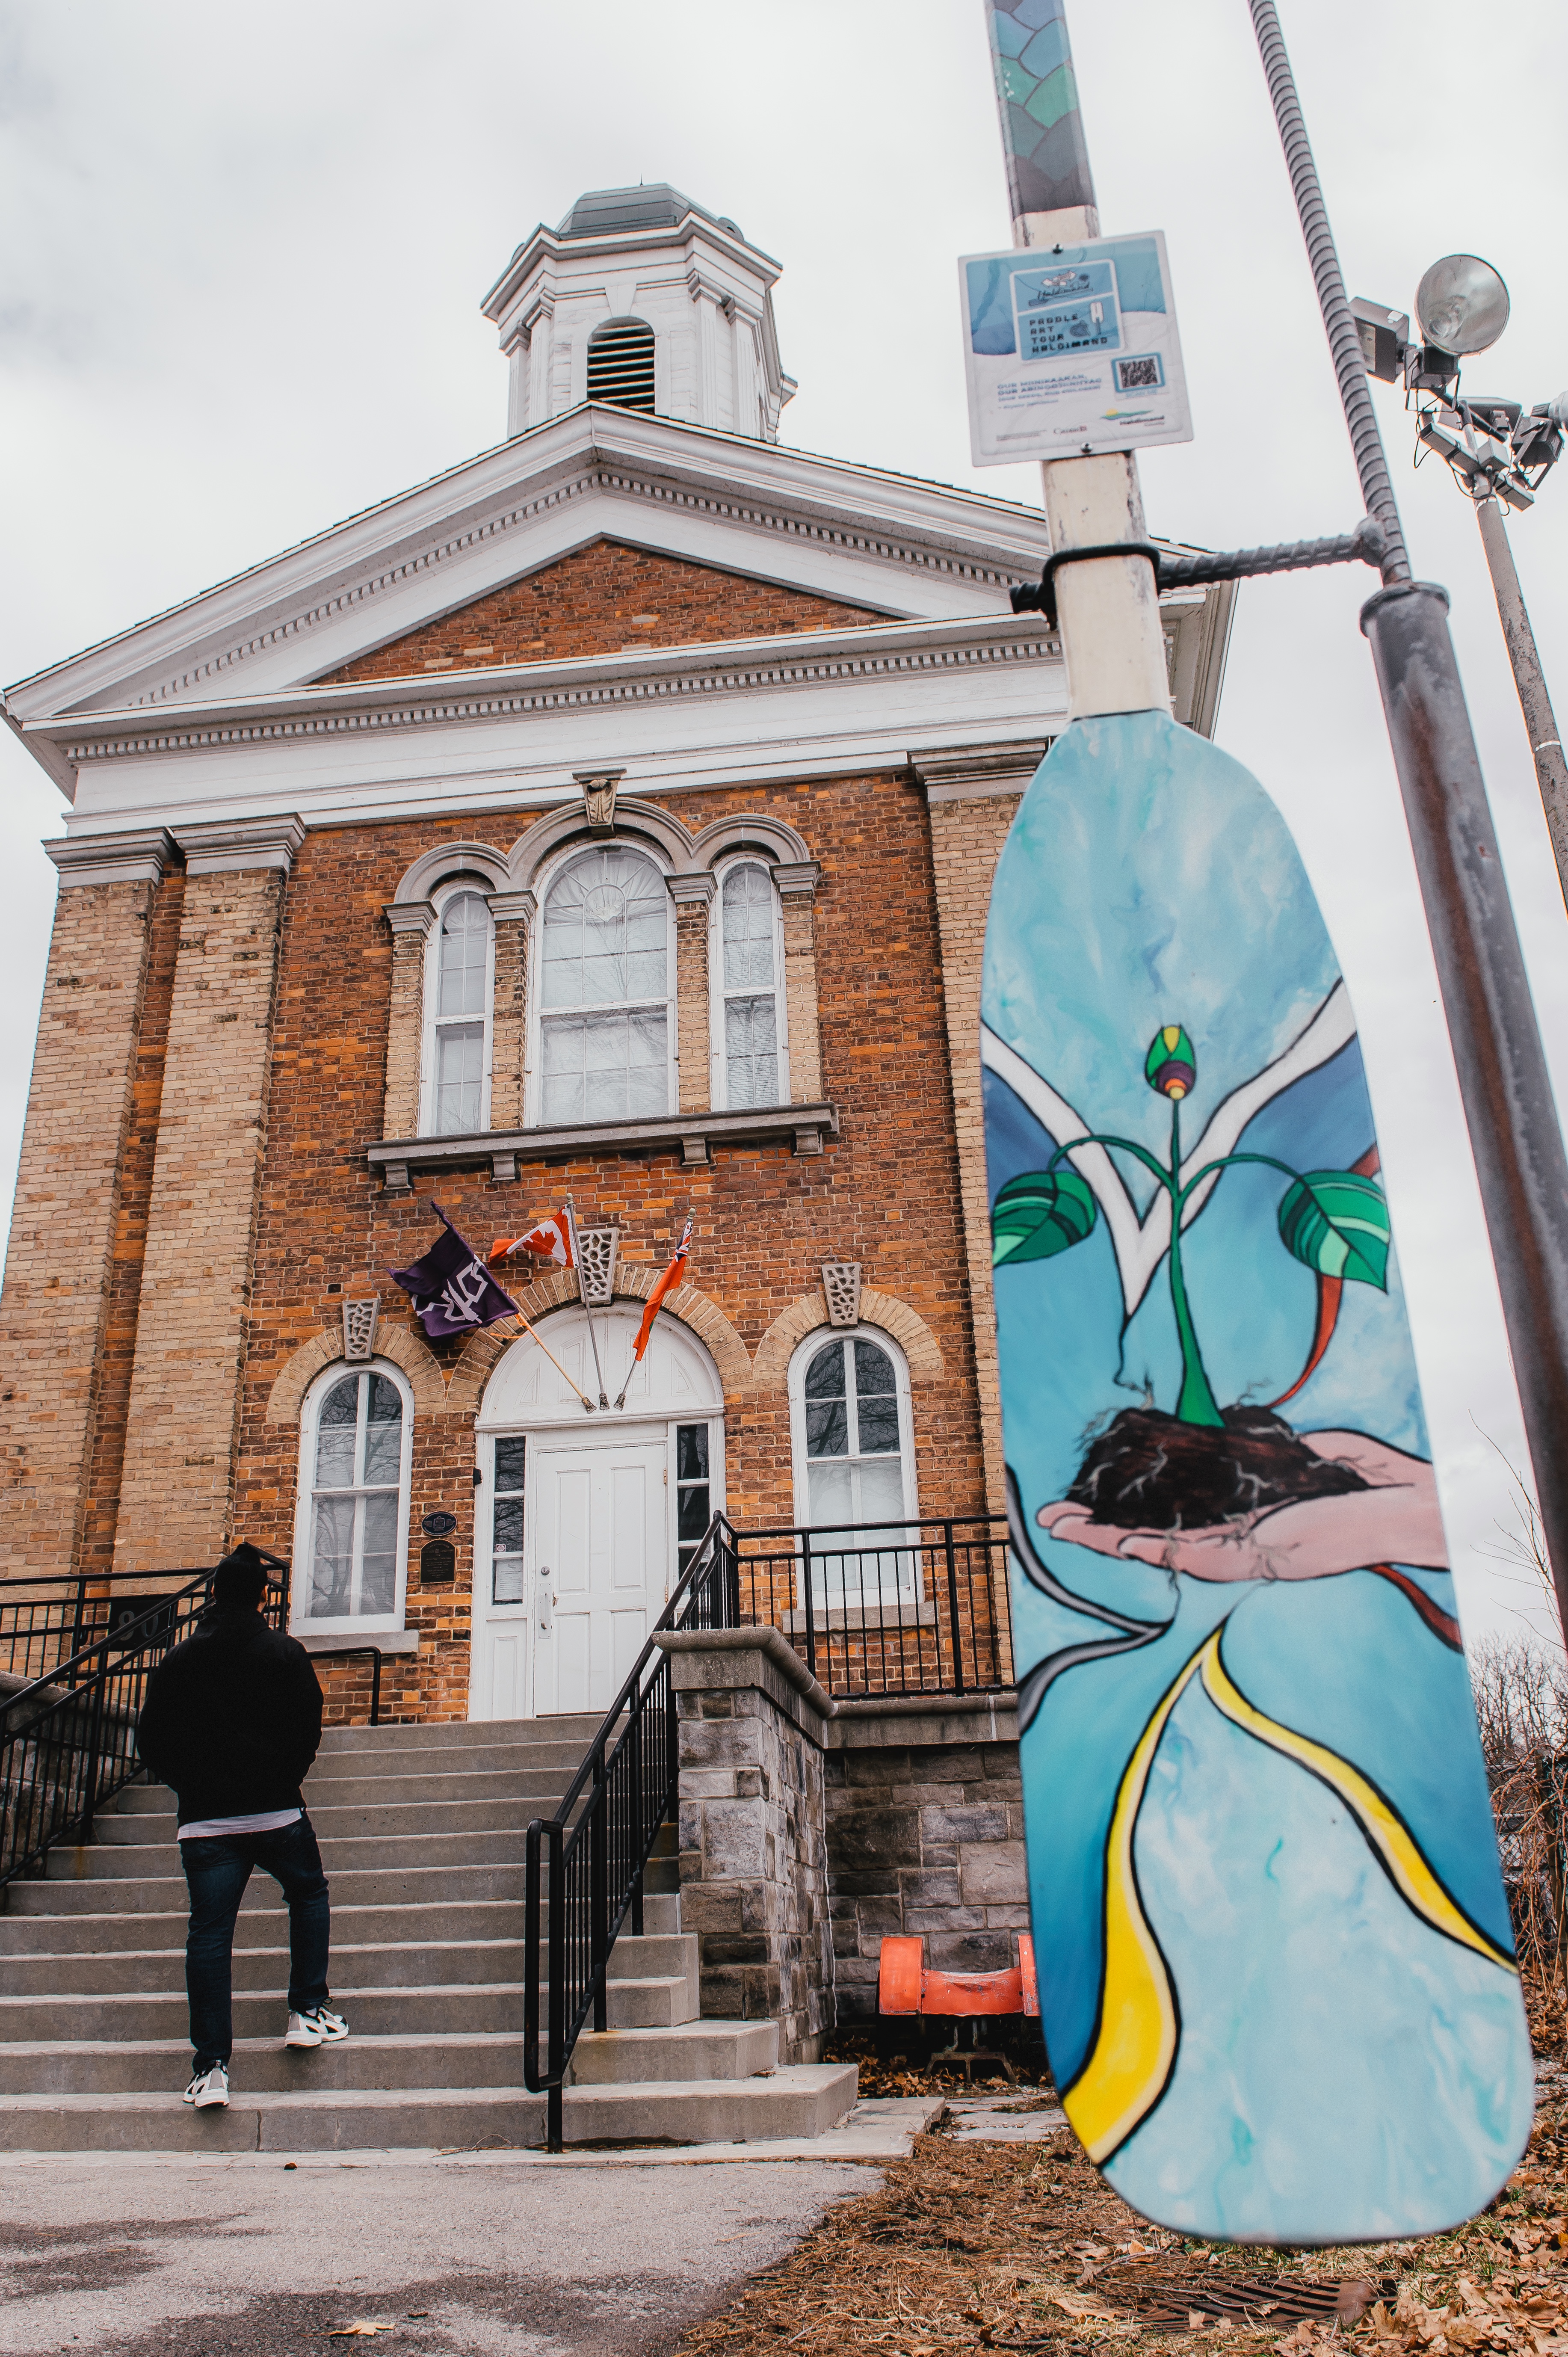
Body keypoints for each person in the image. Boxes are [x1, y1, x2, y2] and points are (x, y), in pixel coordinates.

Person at [136, 1541, 348, 2110]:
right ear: (260, 1597)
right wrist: (282, 1777)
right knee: (307, 1892)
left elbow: (151, 1740)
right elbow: (309, 1726)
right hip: (275, 1810)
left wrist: (192, 1787)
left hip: (205, 1823)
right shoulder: (282, 1651)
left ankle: (211, 2069)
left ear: (212, 1595)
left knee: (209, 1936)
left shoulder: (180, 1659)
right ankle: (307, 2009)